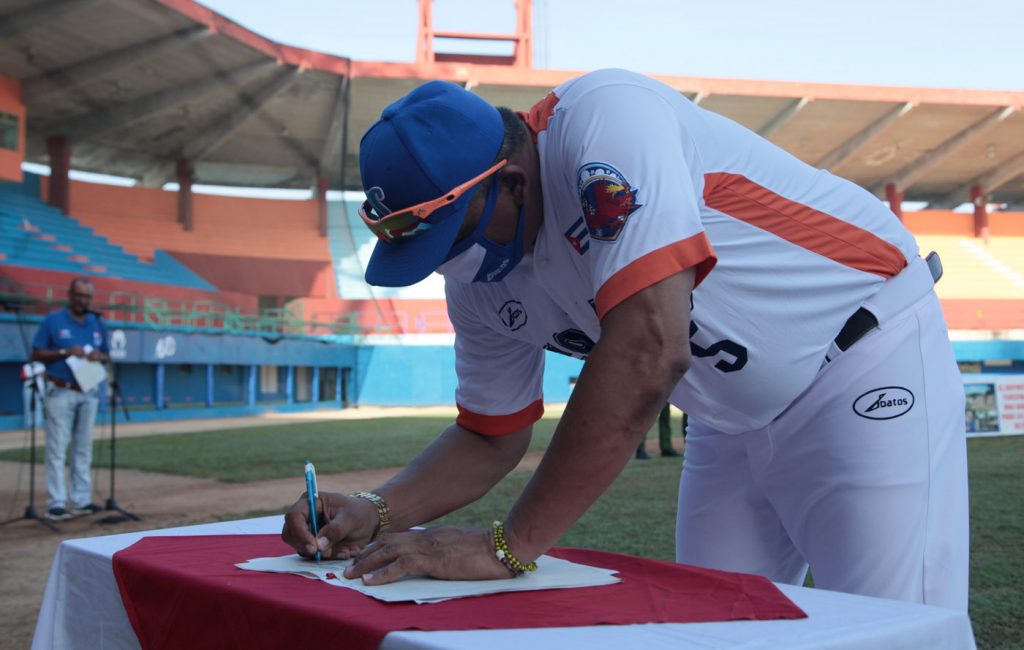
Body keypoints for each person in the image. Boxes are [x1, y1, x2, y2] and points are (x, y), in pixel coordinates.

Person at [282, 69, 969, 611]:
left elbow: (649, 350)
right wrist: (378, 510)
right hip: (723, 412)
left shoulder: (607, 118)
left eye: (451, 237)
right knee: (707, 630)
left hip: (861, 362)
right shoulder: (480, 271)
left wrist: (509, 545)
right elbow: (491, 434)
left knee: (897, 627)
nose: (446, 266)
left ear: (513, 182)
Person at [31, 278, 109, 520]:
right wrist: (65, 351)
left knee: (83, 448)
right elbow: (36, 352)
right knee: (57, 448)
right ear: (70, 295)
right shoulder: (54, 320)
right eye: (79, 295)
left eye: (87, 297)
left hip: (88, 390)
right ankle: (56, 502)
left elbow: (107, 354)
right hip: (60, 390)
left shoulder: (96, 322)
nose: (83, 300)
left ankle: (81, 500)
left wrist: (99, 356)